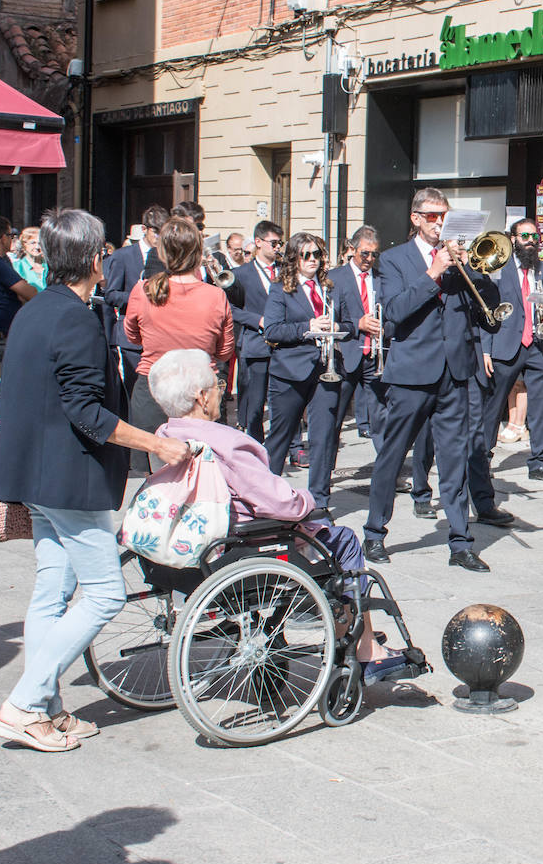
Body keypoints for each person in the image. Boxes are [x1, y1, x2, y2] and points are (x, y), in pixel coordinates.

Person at [0, 208, 190, 752]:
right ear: (95, 259)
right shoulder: (75, 317)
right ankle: (26, 703)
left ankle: (46, 708)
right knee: (103, 594)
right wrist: (158, 444)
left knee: (51, 592)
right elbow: (87, 412)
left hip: (35, 473)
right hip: (66, 475)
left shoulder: (36, 310)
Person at [149, 349, 408, 683]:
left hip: (192, 542)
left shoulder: (165, 435)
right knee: (341, 540)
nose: (221, 390)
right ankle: (366, 648)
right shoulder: (227, 443)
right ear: (201, 397)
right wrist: (307, 500)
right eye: (217, 385)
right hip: (244, 543)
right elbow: (280, 504)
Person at [361, 187, 500, 571]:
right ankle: (374, 532)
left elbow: (488, 305)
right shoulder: (393, 260)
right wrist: (434, 273)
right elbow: (393, 312)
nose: (440, 222)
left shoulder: (461, 259)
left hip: (454, 372)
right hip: (411, 373)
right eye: (433, 216)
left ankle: (460, 542)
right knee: (392, 454)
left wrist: (476, 269)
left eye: (445, 215)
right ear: (416, 218)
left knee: (454, 458)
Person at [122, 216, 235, 468]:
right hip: (199, 394)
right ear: (197, 253)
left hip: (153, 390)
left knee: (157, 481)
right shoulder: (216, 295)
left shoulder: (143, 290)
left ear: (161, 253)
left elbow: (131, 336)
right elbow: (225, 351)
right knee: (200, 477)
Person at [262, 233, 352, 517]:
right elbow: (273, 331)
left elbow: (350, 322)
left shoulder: (330, 288)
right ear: (294, 259)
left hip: (327, 368)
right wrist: (308, 325)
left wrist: (336, 324)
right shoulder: (280, 289)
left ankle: (320, 501)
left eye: (317, 255)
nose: (313, 260)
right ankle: (266, 494)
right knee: (280, 435)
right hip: (290, 371)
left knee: (324, 437)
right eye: (306, 255)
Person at [478, 218, 543, 483]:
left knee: (539, 405)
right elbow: (487, 312)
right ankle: (483, 458)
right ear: (513, 239)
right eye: (525, 236)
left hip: (536, 346)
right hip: (505, 344)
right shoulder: (498, 269)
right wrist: (486, 350)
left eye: (534, 237)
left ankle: (538, 463)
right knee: (495, 404)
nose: (531, 242)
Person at [103, 204, 168, 400]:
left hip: (160, 332)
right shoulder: (123, 256)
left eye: (162, 232)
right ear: (144, 230)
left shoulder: (167, 256)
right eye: (155, 232)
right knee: (134, 391)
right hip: (132, 335)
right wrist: (140, 296)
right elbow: (111, 294)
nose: (158, 237)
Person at [332, 225, 386, 449]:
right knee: (334, 417)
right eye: (365, 253)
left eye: (374, 254)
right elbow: (330, 319)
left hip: (375, 356)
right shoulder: (335, 277)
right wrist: (358, 324)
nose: (369, 258)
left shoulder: (382, 278)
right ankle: (325, 474)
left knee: (381, 418)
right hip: (346, 355)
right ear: (352, 249)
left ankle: (388, 475)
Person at [231, 220, 283, 441]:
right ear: (259, 242)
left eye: (280, 243)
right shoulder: (241, 273)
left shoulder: (285, 271)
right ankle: (254, 441)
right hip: (256, 342)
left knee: (283, 398)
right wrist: (257, 319)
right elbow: (230, 308)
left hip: (283, 344)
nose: (278, 247)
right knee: (255, 400)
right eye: (274, 243)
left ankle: (293, 445)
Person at [0, 215, 37, 409]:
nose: (12, 239)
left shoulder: (3, 263)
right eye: (11, 235)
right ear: (2, 237)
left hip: (3, 336)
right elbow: (29, 292)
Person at [12, 226, 47, 291]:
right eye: (33, 243)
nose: (37, 247)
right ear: (24, 244)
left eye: (40, 243)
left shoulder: (51, 266)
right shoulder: (17, 267)